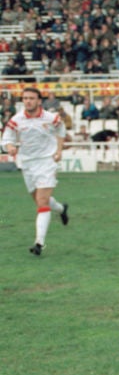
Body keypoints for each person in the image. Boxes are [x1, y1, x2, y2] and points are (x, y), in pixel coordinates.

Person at [2, 86, 69, 255]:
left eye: (31, 98)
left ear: (39, 101)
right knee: (40, 201)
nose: (28, 101)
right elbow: (6, 138)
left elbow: (61, 130)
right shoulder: (16, 120)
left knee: (42, 201)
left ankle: (39, 243)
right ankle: (61, 209)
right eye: (25, 98)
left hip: (47, 162)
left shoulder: (51, 118)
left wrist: (59, 150)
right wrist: (9, 147)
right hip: (27, 164)